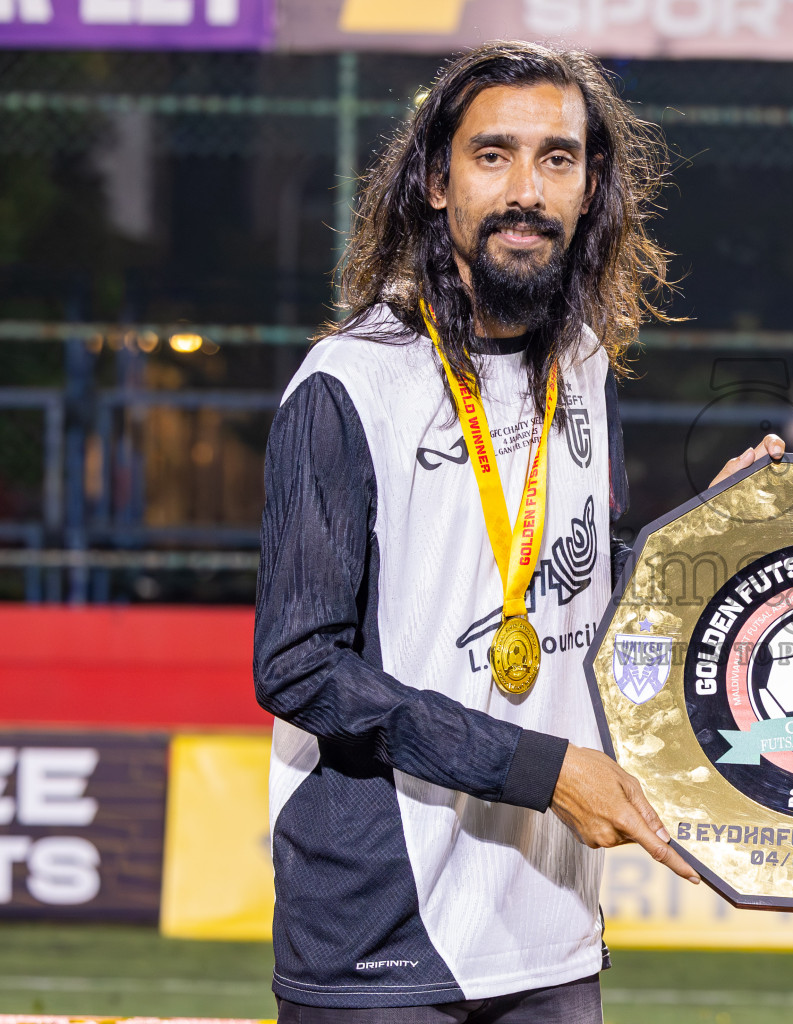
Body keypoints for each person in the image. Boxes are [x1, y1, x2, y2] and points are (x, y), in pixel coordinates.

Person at [253, 42, 697, 1024]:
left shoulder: (581, 364)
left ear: (591, 190)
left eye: (557, 159)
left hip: (547, 917)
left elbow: (579, 585)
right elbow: (300, 666)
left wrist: (727, 529)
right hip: (381, 927)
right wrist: (543, 771)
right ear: (434, 181)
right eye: (493, 156)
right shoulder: (351, 384)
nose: (526, 189)